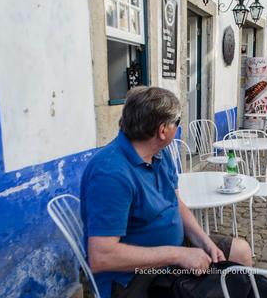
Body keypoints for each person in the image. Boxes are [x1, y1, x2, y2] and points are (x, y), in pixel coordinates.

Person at [80, 87, 252, 298]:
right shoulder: (110, 173)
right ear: (163, 131)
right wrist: (177, 255)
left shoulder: (159, 154)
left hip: (173, 251)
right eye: (177, 122)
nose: (178, 128)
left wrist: (204, 242)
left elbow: (176, 203)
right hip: (135, 276)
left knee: (240, 251)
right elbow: (102, 257)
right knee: (210, 290)